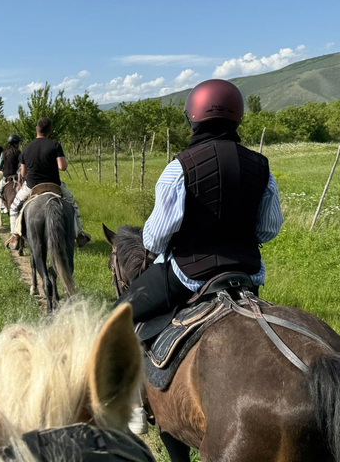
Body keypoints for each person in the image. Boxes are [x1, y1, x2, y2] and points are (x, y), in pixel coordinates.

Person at [113, 79, 283, 435]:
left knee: (115, 320)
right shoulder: (261, 167)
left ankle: (131, 405)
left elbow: (155, 238)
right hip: (247, 274)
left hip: (187, 273)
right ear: (237, 118)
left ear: (193, 117)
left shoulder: (180, 167)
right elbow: (269, 228)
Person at [7, 117, 91, 249]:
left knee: (14, 207)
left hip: (32, 186)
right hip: (54, 185)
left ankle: (15, 236)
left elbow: (23, 174)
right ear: (50, 131)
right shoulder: (55, 145)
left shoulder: (27, 148)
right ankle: (79, 234)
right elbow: (62, 167)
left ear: (37, 129)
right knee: (73, 205)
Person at [0, 134, 21, 213]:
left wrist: (2, 169)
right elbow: (21, 165)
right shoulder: (19, 152)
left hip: (6, 178)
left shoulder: (3, 153)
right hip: (17, 177)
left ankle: (3, 207)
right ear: (16, 143)